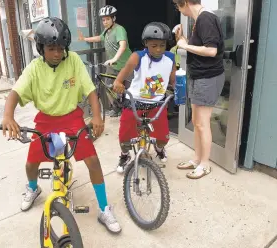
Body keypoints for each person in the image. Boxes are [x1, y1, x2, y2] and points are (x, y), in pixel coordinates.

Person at [1, 17, 121, 234]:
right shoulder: (34, 68)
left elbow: (90, 91)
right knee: (31, 164)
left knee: (93, 161)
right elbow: (15, 93)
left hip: (72, 117)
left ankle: (104, 208)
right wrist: (8, 116)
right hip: (46, 120)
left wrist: (96, 117)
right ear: (41, 48)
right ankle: (32, 188)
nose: (57, 53)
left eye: (61, 49)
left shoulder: (73, 60)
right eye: (51, 48)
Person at [112, 22, 176, 173]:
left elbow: (173, 81)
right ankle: (125, 155)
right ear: (146, 43)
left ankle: (159, 149)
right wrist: (118, 83)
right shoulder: (138, 57)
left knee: (163, 137)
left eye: (162, 45)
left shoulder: (170, 58)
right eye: (154, 45)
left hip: (157, 105)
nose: (159, 49)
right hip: (135, 103)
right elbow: (122, 75)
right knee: (125, 134)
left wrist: (179, 87)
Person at [173, 0, 225, 179]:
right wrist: (182, 40)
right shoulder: (199, 21)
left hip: (208, 78)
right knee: (196, 122)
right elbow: (199, 49)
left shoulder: (206, 18)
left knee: (202, 123)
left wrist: (185, 46)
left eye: (177, 5)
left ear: (185, 2)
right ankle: (196, 159)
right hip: (198, 76)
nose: (178, 9)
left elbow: (211, 50)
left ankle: (205, 164)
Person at [78, 5, 132, 117]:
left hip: (126, 65)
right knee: (108, 87)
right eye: (103, 20)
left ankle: (130, 111)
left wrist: (114, 59)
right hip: (113, 66)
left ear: (114, 19)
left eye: (108, 19)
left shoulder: (119, 29)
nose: (105, 22)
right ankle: (116, 108)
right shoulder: (107, 31)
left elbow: (123, 45)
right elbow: (99, 38)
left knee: (129, 89)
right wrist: (85, 39)